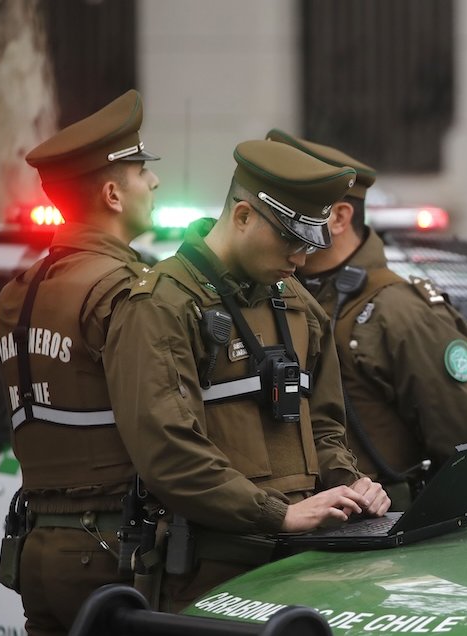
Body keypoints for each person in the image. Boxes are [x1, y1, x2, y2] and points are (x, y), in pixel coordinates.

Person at [104, 139, 390, 611]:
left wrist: (353, 489)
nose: (300, 258)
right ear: (242, 217)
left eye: (308, 243)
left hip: (301, 563)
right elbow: (170, 454)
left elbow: (324, 427)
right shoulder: (162, 306)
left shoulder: (300, 306)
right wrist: (279, 516)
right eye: (290, 240)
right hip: (210, 574)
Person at [0, 90, 161, 636]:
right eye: (142, 172)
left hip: (37, 546)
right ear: (112, 193)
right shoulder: (120, 289)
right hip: (111, 553)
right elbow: (163, 427)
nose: (153, 183)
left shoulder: (18, 291)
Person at [267, 129, 467, 510]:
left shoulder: (400, 309)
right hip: (284, 518)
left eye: (291, 208)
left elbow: (458, 445)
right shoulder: (277, 295)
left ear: (338, 217)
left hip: (373, 527)